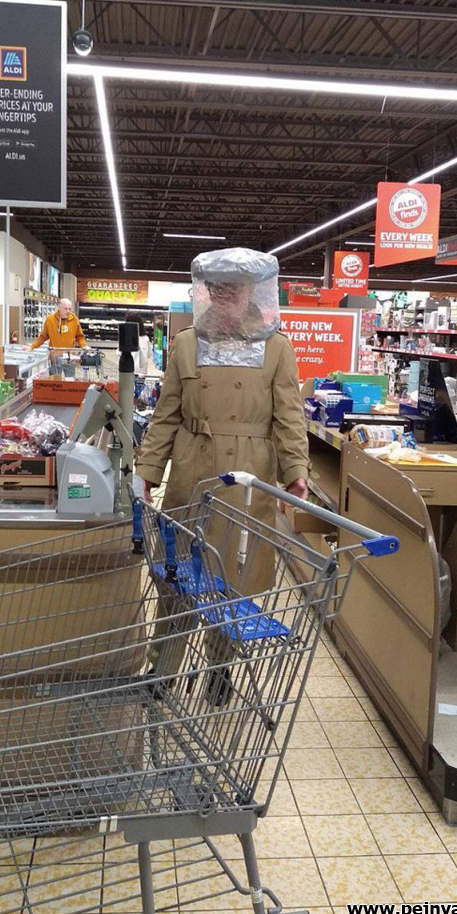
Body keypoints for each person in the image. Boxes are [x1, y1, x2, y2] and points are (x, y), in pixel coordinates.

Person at [136, 247, 310, 703]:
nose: (225, 298)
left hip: (246, 481)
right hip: (191, 475)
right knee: (177, 580)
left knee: (230, 585)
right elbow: (165, 416)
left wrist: (296, 471)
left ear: (252, 291)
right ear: (207, 292)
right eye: (218, 289)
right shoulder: (187, 344)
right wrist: (147, 472)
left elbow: (290, 418)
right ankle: (162, 669)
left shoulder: (276, 347)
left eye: (234, 289)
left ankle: (220, 668)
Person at [125, 311, 152, 375]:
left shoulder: (126, 338)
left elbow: (119, 353)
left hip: (129, 370)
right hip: (142, 371)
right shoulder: (146, 338)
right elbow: (149, 354)